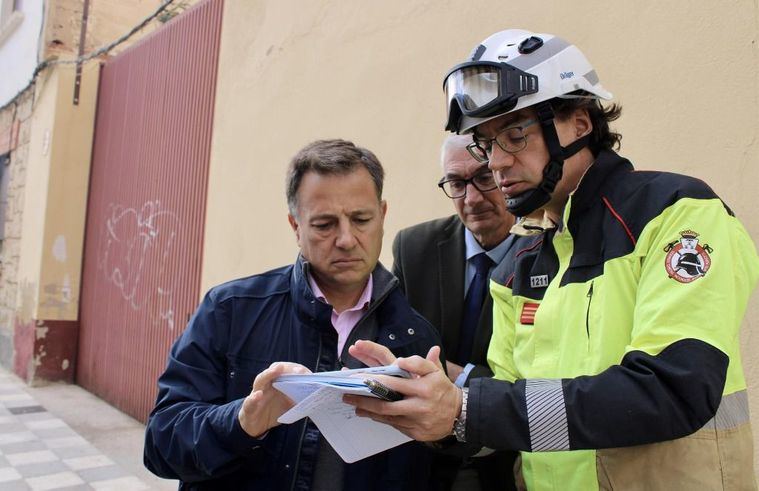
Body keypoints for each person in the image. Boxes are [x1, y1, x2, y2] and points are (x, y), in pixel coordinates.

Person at [345, 29, 759, 490]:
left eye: (515, 136)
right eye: (486, 142)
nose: (497, 162)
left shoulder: (676, 215)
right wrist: (433, 395)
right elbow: (508, 410)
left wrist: (466, 407)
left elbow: (672, 390)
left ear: (580, 123)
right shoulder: (520, 263)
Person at [143, 139, 442, 490]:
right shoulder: (230, 309)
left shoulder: (414, 335)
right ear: (295, 226)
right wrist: (242, 421)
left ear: (383, 215)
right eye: (324, 225)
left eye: (361, 219)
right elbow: (161, 443)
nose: (346, 239)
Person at [392, 134, 518, 490]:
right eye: (457, 183)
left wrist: (458, 377)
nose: (472, 198)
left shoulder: (545, 251)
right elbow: (393, 342)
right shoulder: (413, 248)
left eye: (483, 177)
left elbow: (538, 381)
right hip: (420, 458)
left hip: (506, 461)